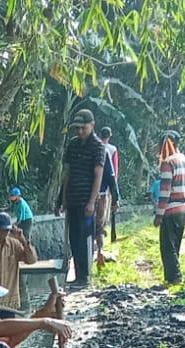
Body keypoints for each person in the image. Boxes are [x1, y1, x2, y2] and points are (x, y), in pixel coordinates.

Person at [57, 109, 105, 288]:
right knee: (74, 239)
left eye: (83, 128)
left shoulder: (98, 146)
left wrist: (92, 202)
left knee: (85, 239)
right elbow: (67, 174)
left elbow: (98, 175)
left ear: (92, 126)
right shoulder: (73, 144)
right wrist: (60, 198)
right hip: (72, 199)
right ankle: (77, 275)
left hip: (87, 201)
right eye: (77, 128)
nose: (80, 132)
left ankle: (84, 277)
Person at [154, 131, 185, 286]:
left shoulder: (168, 163)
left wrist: (159, 214)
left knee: (167, 247)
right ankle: (172, 278)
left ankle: (175, 277)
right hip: (183, 209)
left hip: (170, 210)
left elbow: (165, 192)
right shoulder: (184, 160)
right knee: (175, 245)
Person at [95, 126, 120, 262]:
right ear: (109, 136)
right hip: (105, 191)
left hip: (90, 192)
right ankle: (100, 249)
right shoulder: (112, 149)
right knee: (101, 221)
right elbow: (114, 173)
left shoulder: (92, 147)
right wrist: (115, 195)